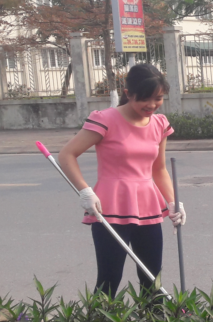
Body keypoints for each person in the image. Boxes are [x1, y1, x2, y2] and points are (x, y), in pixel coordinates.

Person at [58, 64, 185, 297]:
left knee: (152, 279)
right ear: (128, 94)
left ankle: (153, 321)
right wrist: (85, 191)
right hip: (110, 207)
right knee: (109, 279)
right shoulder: (105, 119)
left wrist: (172, 201)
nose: (151, 105)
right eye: (144, 99)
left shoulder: (159, 124)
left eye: (158, 98)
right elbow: (67, 155)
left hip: (148, 208)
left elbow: (158, 169)